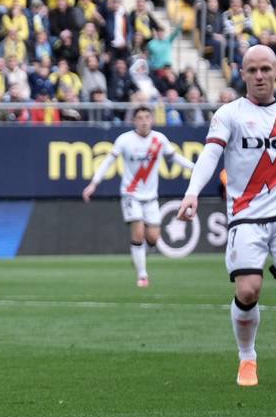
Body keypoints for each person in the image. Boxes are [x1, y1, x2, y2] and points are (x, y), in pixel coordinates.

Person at [178, 45, 276, 388]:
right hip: (246, 217)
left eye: (265, 69)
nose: (259, 76)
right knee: (248, 290)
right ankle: (247, 358)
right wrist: (192, 192)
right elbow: (209, 156)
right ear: (242, 74)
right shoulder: (228, 114)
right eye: (252, 71)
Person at [82, 105, 196, 287]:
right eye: (140, 118)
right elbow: (108, 162)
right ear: (134, 121)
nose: (143, 121)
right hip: (130, 194)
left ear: (152, 119)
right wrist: (94, 183)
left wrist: (195, 168)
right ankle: (142, 276)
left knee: (152, 238)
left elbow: (175, 158)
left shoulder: (159, 139)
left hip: (150, 197)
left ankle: (139, 255)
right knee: (138, 231)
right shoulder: (124, 140)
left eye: (146, 117)